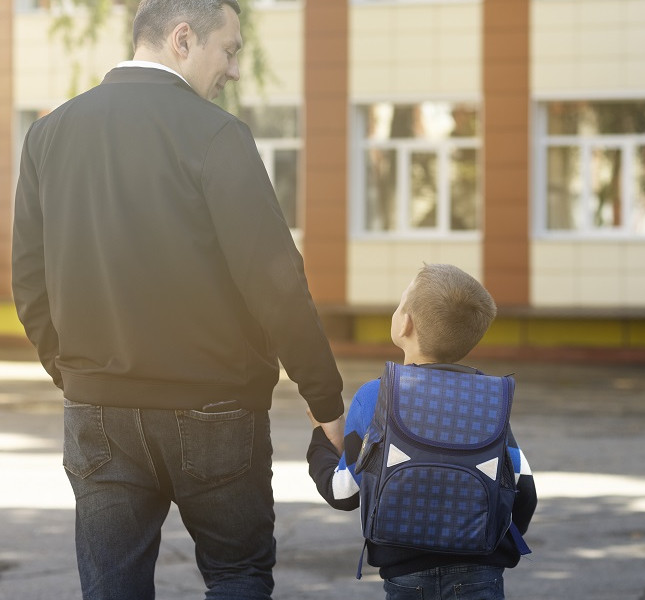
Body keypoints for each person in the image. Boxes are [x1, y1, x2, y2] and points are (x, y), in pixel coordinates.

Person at [11, 1, 345, 598]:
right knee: (237, 575)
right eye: (231, 49)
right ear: (183, 39)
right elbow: (275, 282)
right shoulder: (217, 134)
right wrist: (326, 402)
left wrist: (77, 377)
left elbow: (29, 282)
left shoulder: (47, 134)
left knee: (112, 587)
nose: (236, 70)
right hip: (215, 407)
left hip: (97, 409)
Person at [307, 263, 537, 600]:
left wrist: (319, 441)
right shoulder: (488, 401)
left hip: (406, 574)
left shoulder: (377, 395)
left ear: (405, 322)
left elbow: (344, 493)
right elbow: (525, 492)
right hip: (481, 573)